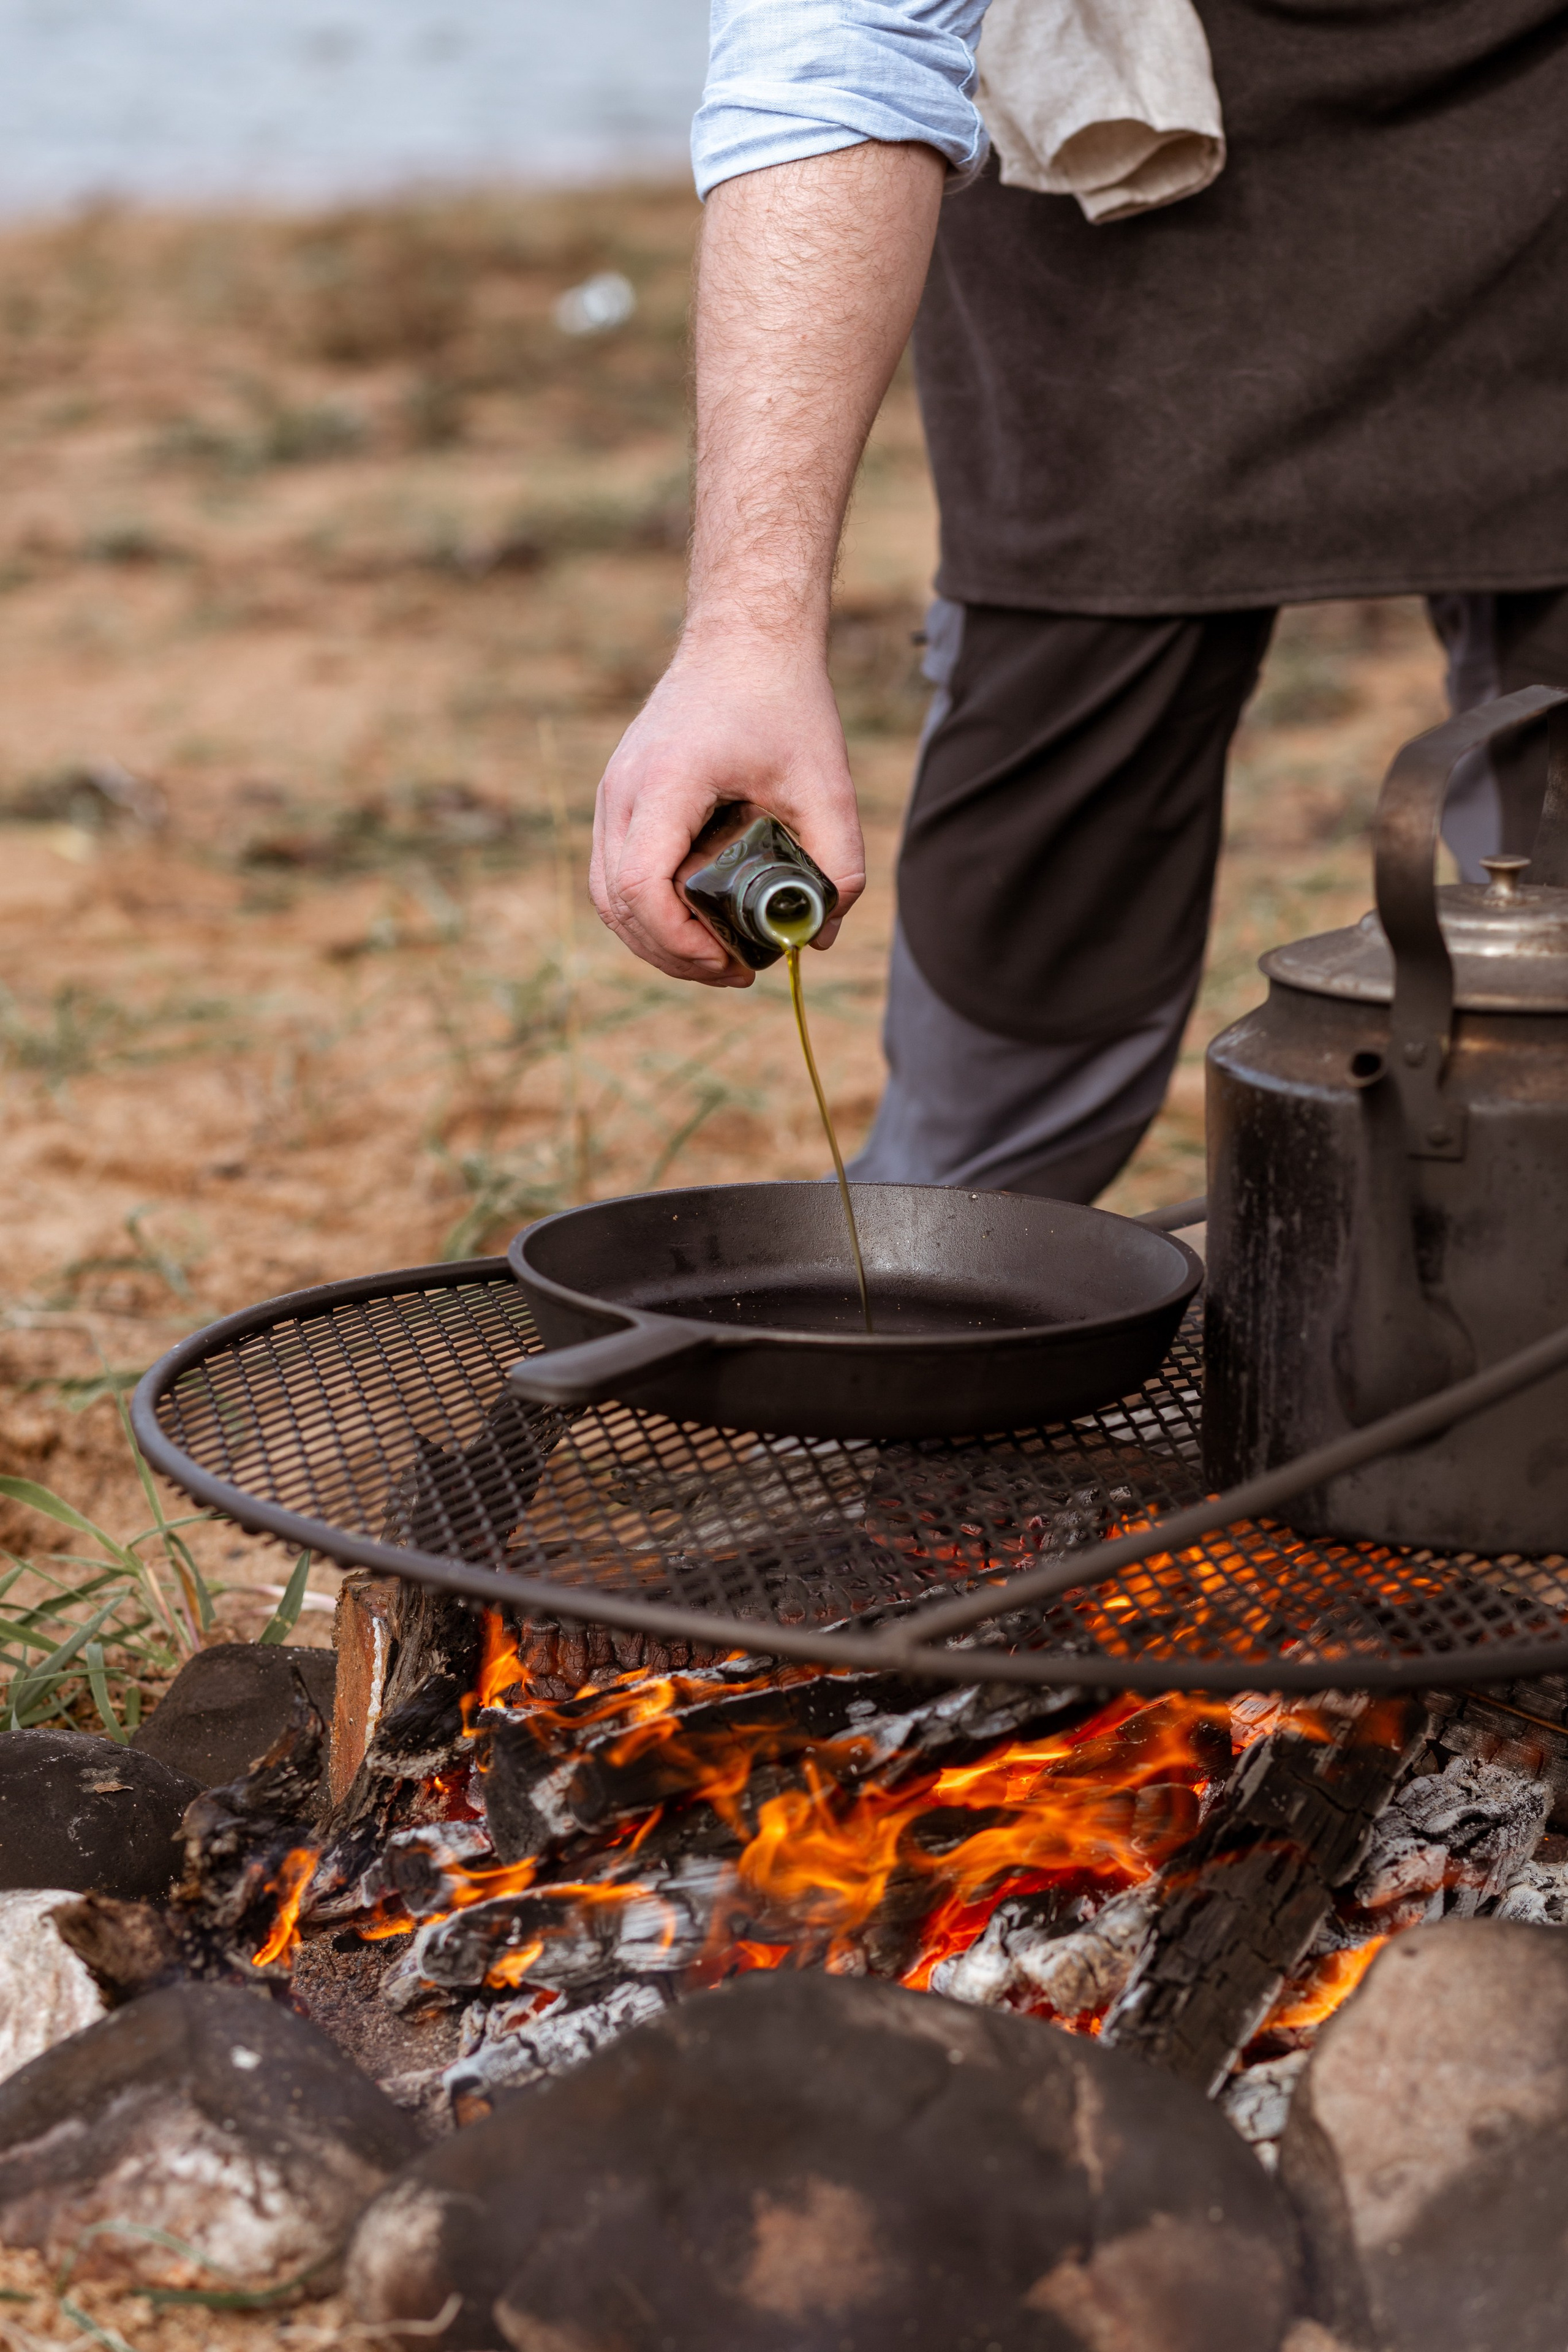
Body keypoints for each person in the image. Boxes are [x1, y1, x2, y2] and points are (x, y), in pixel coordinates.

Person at [590, 0, 1568, 1202]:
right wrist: (746, 640)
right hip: (1126, 151)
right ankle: (942, 1259)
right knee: (1048, 864)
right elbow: (841, 49)